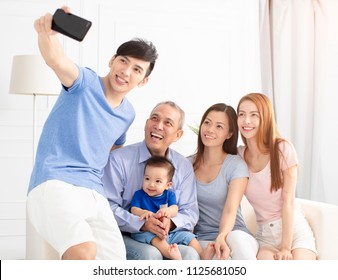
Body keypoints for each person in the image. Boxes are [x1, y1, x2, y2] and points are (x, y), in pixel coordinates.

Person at [26, 6, 158, 260]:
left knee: (115, 261)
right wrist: (49, 33)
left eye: (137, 70)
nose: (126, 72)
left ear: (143, 81)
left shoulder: (127, 113)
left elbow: (113, 148)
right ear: (112, 61)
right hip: (55, 181)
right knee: (83, 251)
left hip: (94, 193)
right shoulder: (83, 82)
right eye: (123, 61)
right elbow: (56, 59)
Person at [102, 101, 200, 260]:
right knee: (151, 254)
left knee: (190, 254)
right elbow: (107, 207)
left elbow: (190, 211)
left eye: (168, 123)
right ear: (146, 123)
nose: (158, 126)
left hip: (168, 234)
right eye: (154, 118)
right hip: (129, 234)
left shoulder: (184, 167)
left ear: (178, 135)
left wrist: (171, 222)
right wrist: (141, 223)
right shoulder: (118, 160)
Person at [237, 93, 317, 260]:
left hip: (294, 231)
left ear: (265, 118)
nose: (246, 121)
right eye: (241, 114)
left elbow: (288, 202)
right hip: (266, 236)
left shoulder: (282, 149)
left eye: (254, 115)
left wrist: (286, 248)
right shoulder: (238, 156)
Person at [189, 103, 259, 260]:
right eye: (207, 122)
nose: (210, 129)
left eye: (219, 126)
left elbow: (230, 209)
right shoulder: (186, 166)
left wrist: (222, 236)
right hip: (203, 239)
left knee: (235, 240)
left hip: (237, 235)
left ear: (229, 134)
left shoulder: (235, 164)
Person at [130, 156, 205, 260]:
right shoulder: (139, 194)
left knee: (189, 237)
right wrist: (143, 212)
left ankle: (204, 257)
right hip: (147, 232)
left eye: (158, 181)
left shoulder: (169, 195)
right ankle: (171, 254)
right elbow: (133, 209)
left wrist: (168, 211)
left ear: (168, 185)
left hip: (169, 231)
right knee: (156, 239)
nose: (151, 184)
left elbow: (175, 208)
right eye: (147, 179)